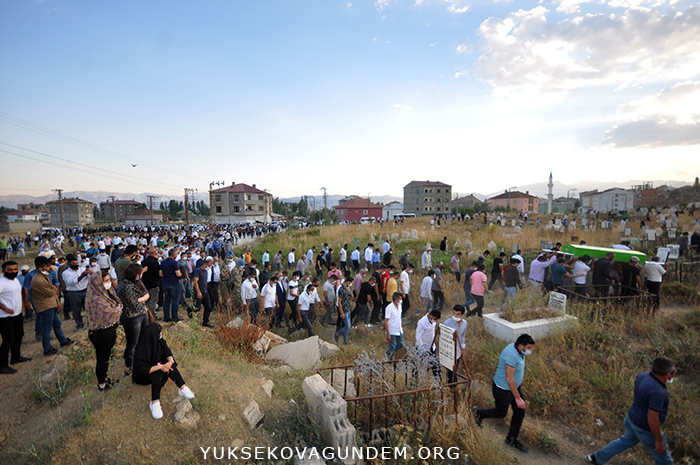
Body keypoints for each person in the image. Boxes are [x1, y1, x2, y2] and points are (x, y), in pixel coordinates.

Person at [585, 357, 677, 465]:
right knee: (664, 459)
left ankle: (596, 458)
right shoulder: (658, 392)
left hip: (632, 419)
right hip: (646, 428)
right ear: (668, 375)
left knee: (623, 442)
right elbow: (652, 418)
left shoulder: (643, 375)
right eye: (674, 372)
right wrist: (659, 440)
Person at [473, 334, 536, 453]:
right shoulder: (511, 354)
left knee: (520, 412)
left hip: (513, 388)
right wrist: (517, 398)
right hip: (503, 389)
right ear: (520, 346)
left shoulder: (518, 351)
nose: (530, 350)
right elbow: (509, 378)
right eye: (529, 348)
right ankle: (478, 413)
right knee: (501, 412)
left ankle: (511, 439)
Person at [133, 323, 195, 419]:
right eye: (159, 333)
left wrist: (170, 362)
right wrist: (161, 367)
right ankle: (154, 402)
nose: (161, 334)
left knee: (169, 364)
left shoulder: (159, 341)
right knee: (159, 372)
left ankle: (182, 387)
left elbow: (168, 352)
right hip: (143, 377)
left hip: (157, 365)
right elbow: (142, 370)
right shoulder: (141, 350)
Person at [85, 270, 123, 391]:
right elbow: (111, 312)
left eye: (109, 280)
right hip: (100, 333)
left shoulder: (105, 292)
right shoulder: (94, 298)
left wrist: (118, 308)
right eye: (106, 281)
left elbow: (118, 303)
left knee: (106, 357)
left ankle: (105, 378)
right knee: (102, 359)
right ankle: (102, 384)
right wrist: (118, 309)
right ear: (98, 283)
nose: (109, 283)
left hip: (109, 330)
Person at [30, 257, 73, 355]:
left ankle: (63, 341)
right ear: (41, 268)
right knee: (47, 328)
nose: (50, 268)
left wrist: (57, 301)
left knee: (57, 324)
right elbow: (51, 292)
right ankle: (47, 348)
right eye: (48, 266)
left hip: (51, 304)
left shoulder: (45, 277)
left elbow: (52, 291)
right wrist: (54, 289)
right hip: (45, 306)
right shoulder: (38, 280)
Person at [116, 263, 150, 376]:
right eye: (139, 273)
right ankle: (129, 365)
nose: (141, 276)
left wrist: (141, 299)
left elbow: (146, 294)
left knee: (143, 339)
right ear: (134, 274)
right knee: (132, 343)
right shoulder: (125, 286)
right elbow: (134, 304)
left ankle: (140, 359)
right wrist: (142, 299)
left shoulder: (137, 282)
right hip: (132, 317)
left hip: (143, 313)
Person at [0, 261, 31, 374]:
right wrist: (5, 309)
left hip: (17, 314)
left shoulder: (16, 280)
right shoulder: (2, 282)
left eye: (15, 269)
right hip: (4, 317)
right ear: (3, 271)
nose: (13, 271)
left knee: (19, 335)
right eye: (10, 270)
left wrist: (23, 303)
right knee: (8, 339)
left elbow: (21, 291)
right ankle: (2, 365)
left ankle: (15, 357)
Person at [62, 254, 92, 331]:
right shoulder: (66, 273)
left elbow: (89, 278)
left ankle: (91, 323)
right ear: (69, 264)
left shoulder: (82, 269)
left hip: (85, 290)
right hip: (74, 293)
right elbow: (71, 283)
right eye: (74, 264)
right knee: (76, 310)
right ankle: (79, 324)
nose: (76, 265)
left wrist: (91, 273)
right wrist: (82, 276)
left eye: (77, 263)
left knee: (88, 308)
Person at [443, 305, 468, 383]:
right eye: (454, 313)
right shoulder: (447, 323)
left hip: (458, 351)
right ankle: (451, 386)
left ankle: (453, 384)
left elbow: (462, 337)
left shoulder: (464, 323)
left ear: (462, 315)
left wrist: (462, 350)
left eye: (457, 314)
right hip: (449, 350)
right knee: (450, 370)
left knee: (455, 368)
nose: (455, 315)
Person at [159, 248, 183, 322]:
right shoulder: (175, 263)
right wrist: (181, 275)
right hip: (174, 283)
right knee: (175, 301)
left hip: (165, 283)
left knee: (167, 300)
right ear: (174, 255)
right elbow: (178, 274)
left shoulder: (163, 262)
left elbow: (160, 274)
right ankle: (174, 317)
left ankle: (166, 317)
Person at [334, 277, 353, 345]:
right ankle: (337, 334)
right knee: (348, 326)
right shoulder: (341, 289)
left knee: (347, 325)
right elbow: (339, 302)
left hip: (348, 308)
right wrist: (341, 312)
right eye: (351, 282)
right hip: (344, 310)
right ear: (348, 282)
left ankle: (345, 340)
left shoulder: (347, 288)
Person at [384, 292, 404, 360]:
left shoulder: (400, 306)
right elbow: (386, 321)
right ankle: (390, 361)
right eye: (400, 299)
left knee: (401, 345)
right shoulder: (389, 308)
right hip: (392, 331)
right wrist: (388, 333)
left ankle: (388, 352)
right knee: (392, 347)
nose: (401, 300)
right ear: (396, 299)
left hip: (399, 329)